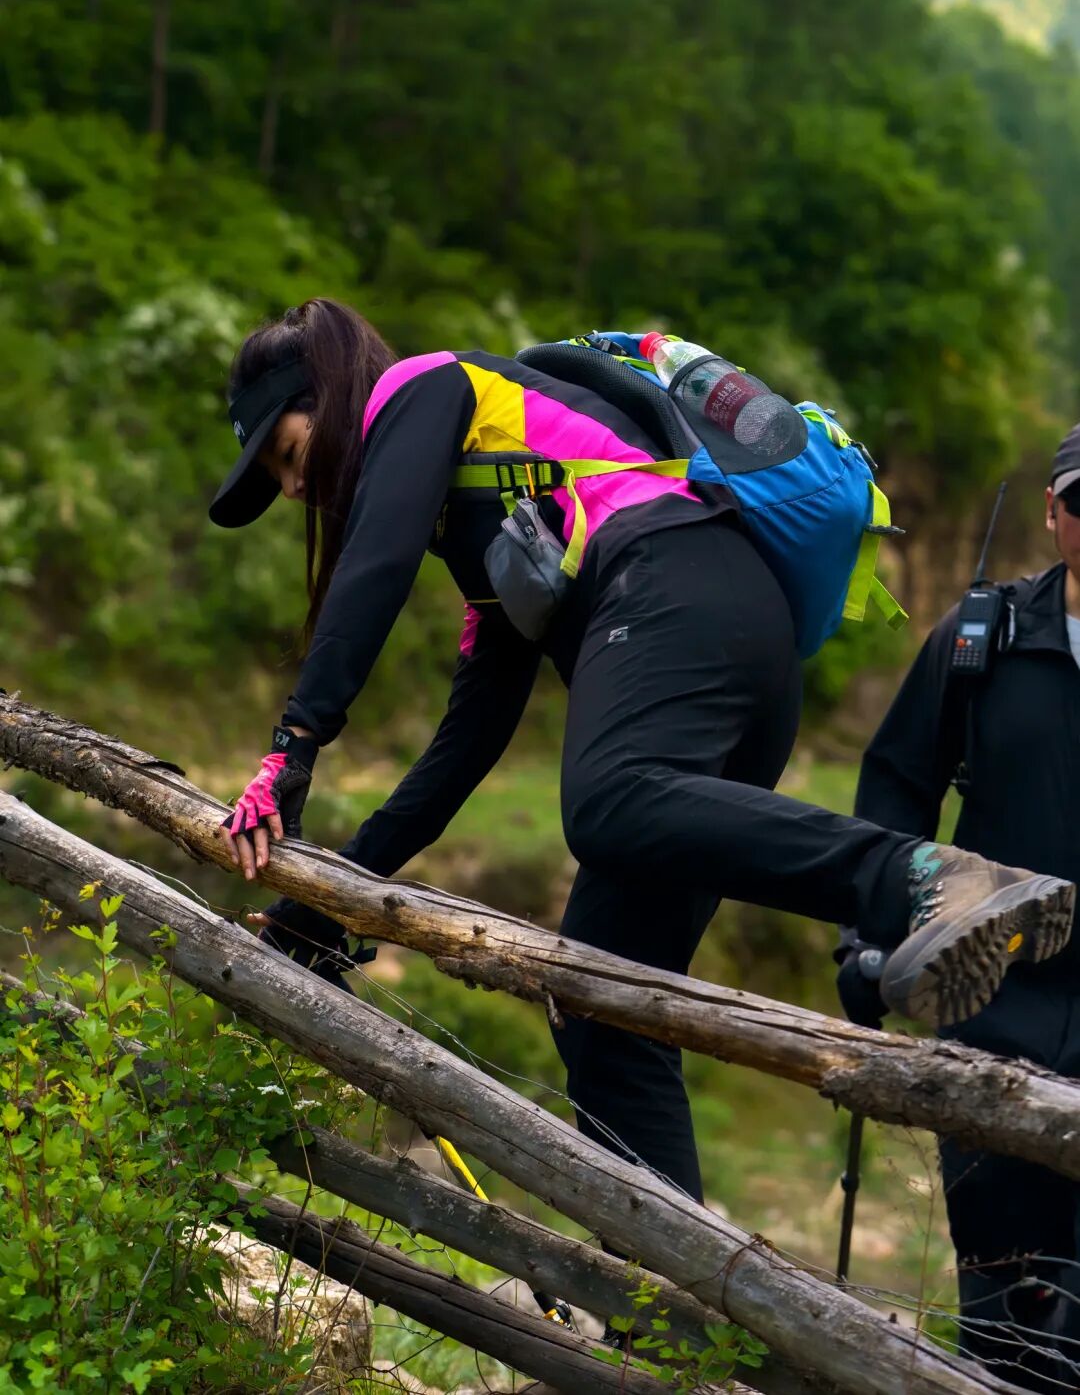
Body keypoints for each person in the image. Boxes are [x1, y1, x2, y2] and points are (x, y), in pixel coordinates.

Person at [210, 297, 1074, 1207]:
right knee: (601, 1003)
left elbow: (373, 568)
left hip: (675, 586)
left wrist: (292, 747)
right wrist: (331, 898)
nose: (295, 489)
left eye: (291, 454)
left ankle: (922, 878)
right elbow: (467, 742)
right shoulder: (496, 526)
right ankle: (674, 1284)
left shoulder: (422, 387)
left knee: (609, 799)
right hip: (739, 641)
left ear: (333, 394)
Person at [854, 423, 1080, 1392]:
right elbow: (897, 787)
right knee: (1001, 1283)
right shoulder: (984, 637)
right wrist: (872, 941)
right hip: (995, 1003)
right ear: (1053, 511)